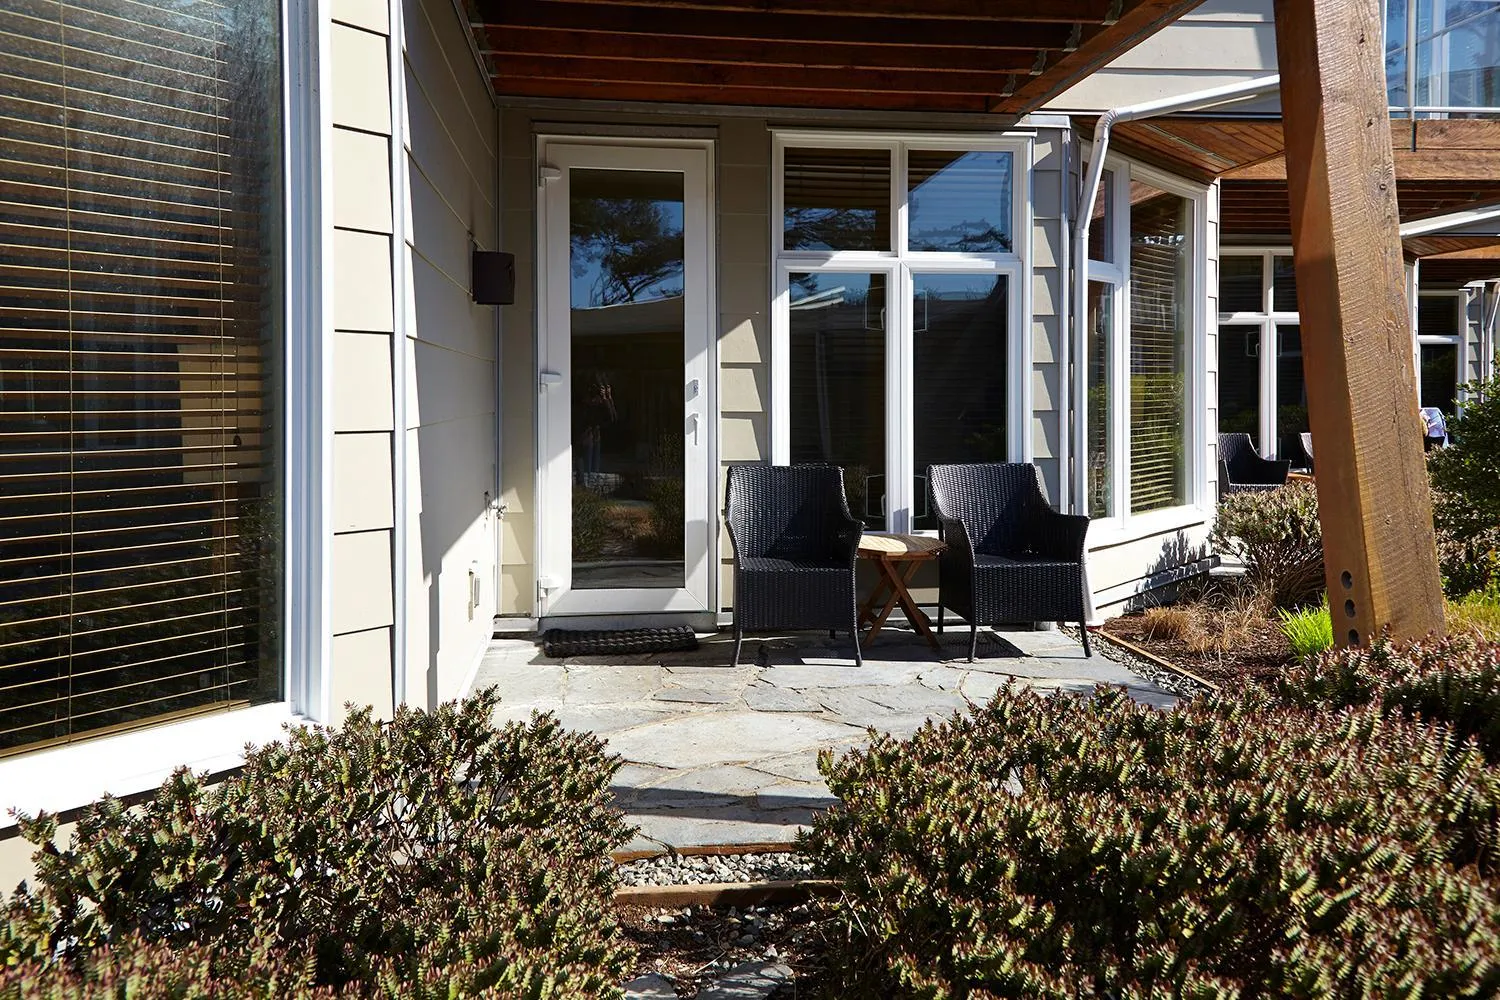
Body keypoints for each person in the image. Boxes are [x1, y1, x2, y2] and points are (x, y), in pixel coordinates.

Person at [574, 371, 616, 481]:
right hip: (584, 439)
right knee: (586, 472)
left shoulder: (598, 403)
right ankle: (584, 487)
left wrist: (608, 398)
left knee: (593, 474)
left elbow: (612, 417)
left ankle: (588, 486)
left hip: (594, 438)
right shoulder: (583, 404)